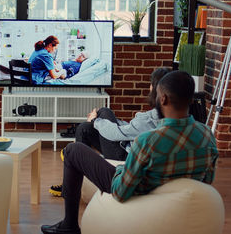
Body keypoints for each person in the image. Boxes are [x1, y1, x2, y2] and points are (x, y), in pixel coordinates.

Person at [40, 71, 219, 234]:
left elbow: (121, 190)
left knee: (73, 151)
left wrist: (118, 169)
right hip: (175, 197)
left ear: (163, 99)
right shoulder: (207, 135)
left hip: (136, 189)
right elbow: (207, 180)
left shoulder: (148, 140)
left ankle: (69, 226)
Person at [49, 67, 171, 197]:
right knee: (85, 128)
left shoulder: (149, 119)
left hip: (123, 158)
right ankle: (70, 183)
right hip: (128, 149)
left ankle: (73, 159)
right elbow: (129, 129)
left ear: (155, 89)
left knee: (104, 112)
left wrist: (96, 120)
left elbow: (116, 134)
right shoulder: (167, 117)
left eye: (151, 84)